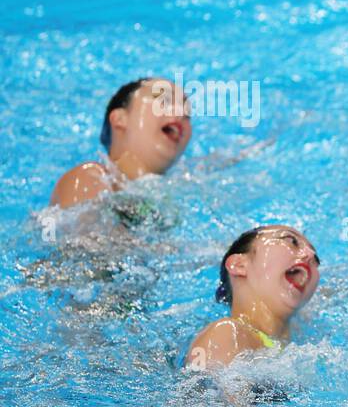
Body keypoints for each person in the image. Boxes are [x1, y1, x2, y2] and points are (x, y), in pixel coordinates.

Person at [185, 225, 320, 369]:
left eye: (317, 259)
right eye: (291, 241)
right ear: (239, 264)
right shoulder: (226, 333)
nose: (311, 255)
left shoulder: (302, 350)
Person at [49, 77, 192, 209]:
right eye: (164, 101)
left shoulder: (183, 189)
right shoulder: (90, 176)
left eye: (187, 114)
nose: (180, 113)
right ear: (119, 119)